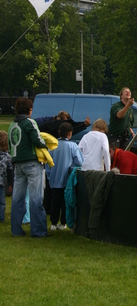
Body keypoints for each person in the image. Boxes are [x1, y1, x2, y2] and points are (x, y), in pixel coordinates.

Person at [8, 97, 51, 237]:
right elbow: (37, 140)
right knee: (36, 198)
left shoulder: (12, 125)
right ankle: (38, 231)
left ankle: (16, 229)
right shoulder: (29, 122)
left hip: (17, 164)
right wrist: (46, 146)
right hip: (32, 163)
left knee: (17, 198)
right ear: (29, 109)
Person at [47, 122, 84, 231]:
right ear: (69, 133)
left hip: (54, 178)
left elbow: (48, 164)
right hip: (67, 180)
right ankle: (63, 223)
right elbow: (80, 162)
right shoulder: (72, 146)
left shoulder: (52, 146)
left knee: (55, 201)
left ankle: (53, 223)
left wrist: (49, 176)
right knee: (65, 202)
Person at [0, 131, 13, 223]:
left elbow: (10, 172)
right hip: (2, 182)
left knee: (2, 202)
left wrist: (10, 184)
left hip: (1, 183)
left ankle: (1, 218)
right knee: (2, 202)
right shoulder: (7, 157)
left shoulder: (7, 157)